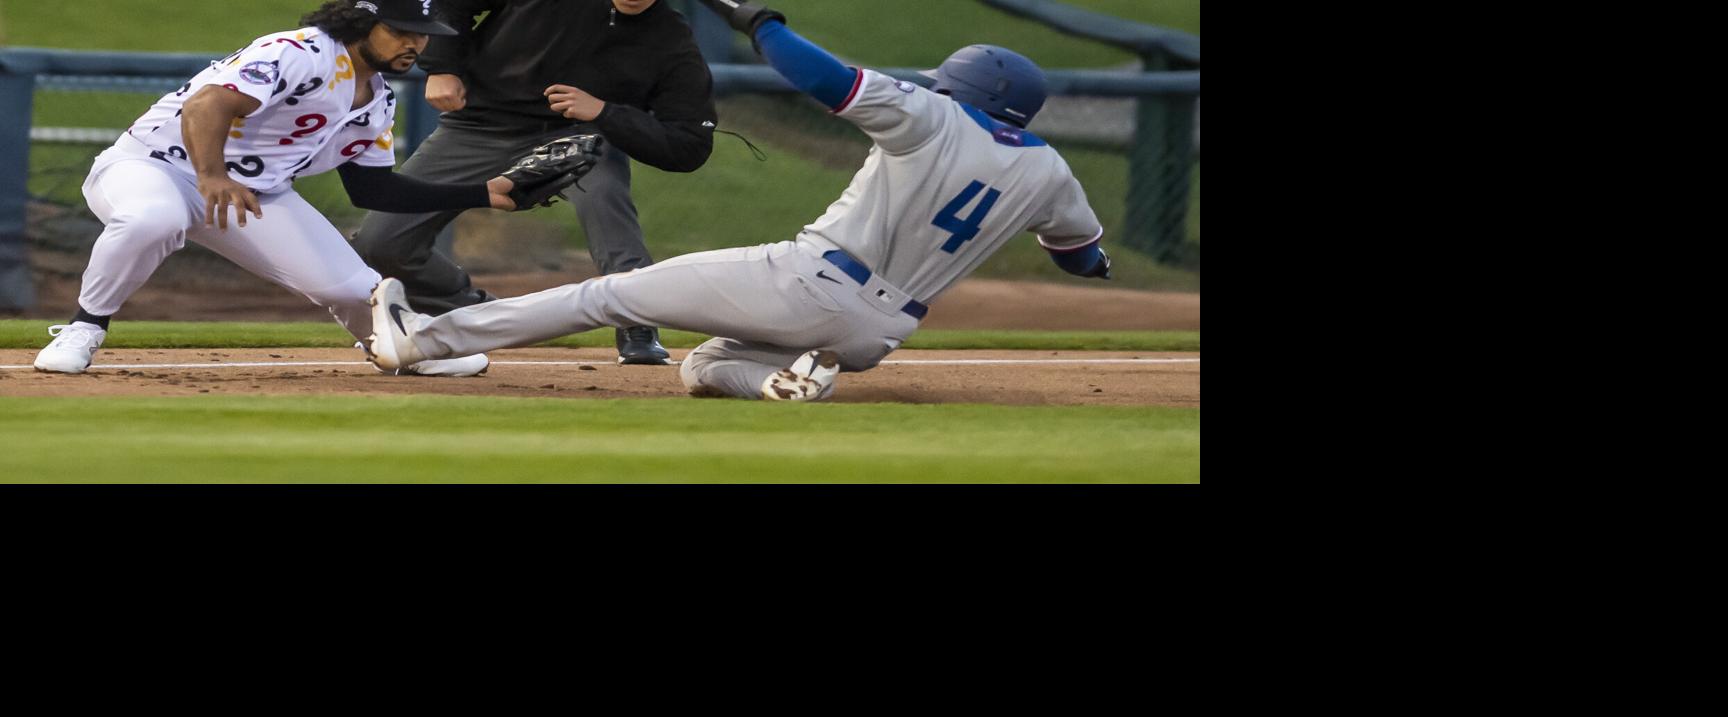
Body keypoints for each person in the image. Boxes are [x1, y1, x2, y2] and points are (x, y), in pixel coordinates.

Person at [365, 0, 1112, 401]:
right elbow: (1085, 262)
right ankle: (787, 383)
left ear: (963, 90)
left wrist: (762, 22)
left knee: (607, 293)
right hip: (876, 335)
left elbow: (825, 80)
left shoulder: (929, 114)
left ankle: (423, 342)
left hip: (809, 279)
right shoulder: (1051, 173)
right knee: (705, 369)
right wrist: (1096, 260)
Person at [32, 0, 573, 377]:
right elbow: (208, 103)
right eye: (402, 30)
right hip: (152, 167)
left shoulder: (377, 99)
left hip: (253, 195)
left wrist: (486, 192)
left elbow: (375, 191)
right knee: (154, 219)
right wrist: (213, 176)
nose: (416, 43)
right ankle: (84, 328)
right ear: (364, 21)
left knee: (351, 288)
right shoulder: (299, 51)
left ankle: (401, 347)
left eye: (423, 33)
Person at [350, 0, 718, 366]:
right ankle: (471, 307)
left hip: (578, 137)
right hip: (480, 125)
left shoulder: (669, 36)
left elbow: (689, 146)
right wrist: (441, 68)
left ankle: (637, 323)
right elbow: (449, 5)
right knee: (380, 242)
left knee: (604, 200)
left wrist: (606, 113)